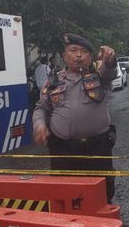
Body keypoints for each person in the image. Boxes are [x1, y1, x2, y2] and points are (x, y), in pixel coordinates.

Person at [32, 33, 118, 202]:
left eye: (84, 51)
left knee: (102, 194)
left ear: (90, 57)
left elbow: (110, 71)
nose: (78, 55)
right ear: (64, 56)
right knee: (65, 195)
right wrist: (39, 125)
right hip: (62, 151)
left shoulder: (99, 76)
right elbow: (41, 108)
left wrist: (110, 60)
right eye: (73, 50)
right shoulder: (54, 81)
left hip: (97, 148)